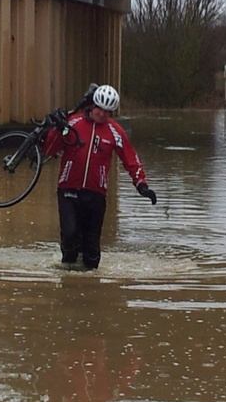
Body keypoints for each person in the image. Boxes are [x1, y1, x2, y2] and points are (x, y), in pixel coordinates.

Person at [42, 84, 157, 270]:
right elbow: (49, 149)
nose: (102, 114)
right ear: (92, 105)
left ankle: (89, 286)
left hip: (96, 194)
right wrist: (55, 129)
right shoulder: (73, 122)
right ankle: (67, 276)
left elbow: (131, 159)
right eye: (99, 109)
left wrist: (141, 184)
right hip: (68, 189)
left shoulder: (115, 132)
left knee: (92, 251)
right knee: (70, 235)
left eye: (107, 111)